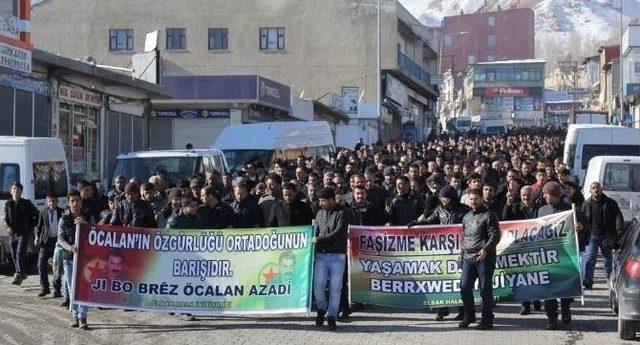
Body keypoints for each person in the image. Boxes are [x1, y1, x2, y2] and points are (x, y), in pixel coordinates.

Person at [410, 185, 470, 321]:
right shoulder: (439, 210)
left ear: (452, 197)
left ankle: (462, 310)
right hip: (443, 252)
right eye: (441, 197)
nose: (442, 200)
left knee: (458, 281)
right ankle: (441, 310)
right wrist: (417, 223)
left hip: (460, 250)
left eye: (445, 197)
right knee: (442, 280)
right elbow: (429, 221)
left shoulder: (465, 210)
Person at [537, 181, 583, 330]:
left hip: (565, 253)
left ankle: (565, 308)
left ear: (555, 195)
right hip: (547, 254)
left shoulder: (570, 209)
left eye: (547, 194)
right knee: (548, 287)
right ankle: (551, 317)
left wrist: (580, 226)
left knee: (565, 284)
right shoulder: (542, 210)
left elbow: (584, 223)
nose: (544, 196)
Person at [458, 188, 500, 330]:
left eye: (476, 199)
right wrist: (461, 256)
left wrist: (485, 250)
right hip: (468, 257)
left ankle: (487, 319)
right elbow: (464, 238)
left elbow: (495, 236)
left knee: (485, 289)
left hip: (484, 257)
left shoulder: (489, 215)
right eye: (471, 199)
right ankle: (469, 316)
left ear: (481, 199)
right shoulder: (466, 217)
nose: (473, 202)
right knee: (464, 286)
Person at [313, 188, 349, 331]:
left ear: (331, 200)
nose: (321, 203)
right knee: (318, 285)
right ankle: (321, 309)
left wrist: (318, 239)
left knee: (335, 287)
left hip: (337, 256)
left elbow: (338, 233)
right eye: (320, 201)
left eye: (323, 201)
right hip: (321, 255)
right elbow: (315, 230)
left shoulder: (342, 213)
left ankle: (332, 316)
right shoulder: (320, 213)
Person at [57, 190, 94, 330]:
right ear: (68, 202)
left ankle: (83, 317)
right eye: (72, 201)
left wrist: (85, 225)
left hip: (85, 259)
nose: (75, 203)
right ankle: (75, 316)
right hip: (69, 258)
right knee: (71, 288)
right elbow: (60, 239)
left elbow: (96, 234)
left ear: (81, 201)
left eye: (77, 200)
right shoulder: (63, 218)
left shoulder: (88, 216)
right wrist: (69, 247)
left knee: (83, 288)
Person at [581, 181, 623, 289]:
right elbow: (582, 219)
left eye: (597, 188)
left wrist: (619, 229)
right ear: (590, 191)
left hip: (606, 235)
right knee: (590, 258)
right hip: (592, 236)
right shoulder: (586, 204)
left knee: (608, 259)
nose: (596, 190)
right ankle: (588, 280)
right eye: (593, 188)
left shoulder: (610, 202)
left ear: (601, 189)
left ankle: (609, 279)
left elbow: (618, 215)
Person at [3, 181, 38, 285]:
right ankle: (21, 274)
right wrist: (7, 227)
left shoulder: (26, 203)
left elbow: (37, 214)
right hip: (12, 233)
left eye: (18, 189)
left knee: (19, 253)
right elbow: (5, 218)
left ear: (21, 192)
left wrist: (31, 226)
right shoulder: (8, 204)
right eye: (14, 189)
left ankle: (19, 273)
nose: (16, 191)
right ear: (11, 191)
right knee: (13, 254)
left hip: (23, 233)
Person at [34, 194, 64, 297]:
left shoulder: (62, 212)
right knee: (41, 265)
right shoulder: (43, 212)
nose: (51, 203)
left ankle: (57, 289)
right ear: (47, 202)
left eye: (53, 201)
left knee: (56, 266)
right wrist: (37, 237)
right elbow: (39, 226)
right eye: (49, 201)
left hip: (57, 242)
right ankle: (45, 288)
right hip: (46, 241)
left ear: (57, 201)